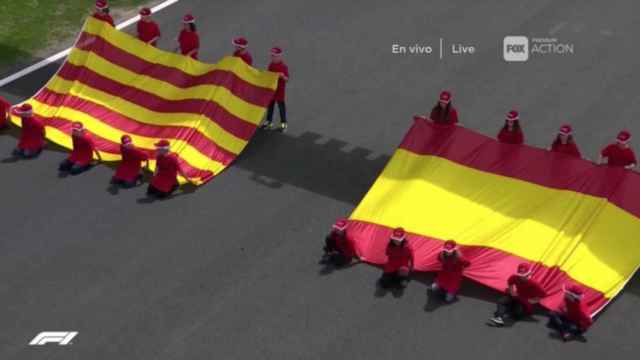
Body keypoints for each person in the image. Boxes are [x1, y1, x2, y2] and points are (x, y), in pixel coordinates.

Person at [262, 47, 290, 132]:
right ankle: (269, 122)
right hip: (272, 91)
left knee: (281, 108)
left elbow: (287, 79)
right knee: (270, 107)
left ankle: (283, 124)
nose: (272, 57)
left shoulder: (283, 67)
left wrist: (282, 76)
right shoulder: (271, 65)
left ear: (279, 57)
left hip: (280, 92)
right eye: (271, 56)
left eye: (274, 56)